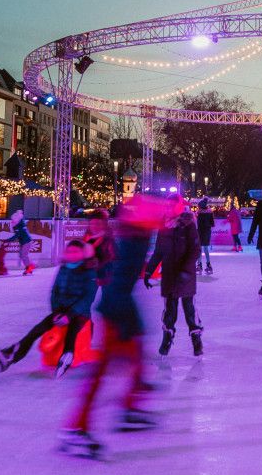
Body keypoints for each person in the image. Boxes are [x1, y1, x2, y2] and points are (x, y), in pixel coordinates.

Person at [61, 189, 165, 457]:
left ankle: (129, 408)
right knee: (103, 370)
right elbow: (119, 279)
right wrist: (129, 322)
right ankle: (76, 429)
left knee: (136, 359)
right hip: (116, 309)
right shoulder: (133, 237)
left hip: (120, 305)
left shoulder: (136, 234)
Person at [0, 215, 105, 375]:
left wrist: (69, 315)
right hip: (60, 311)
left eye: (75, 252)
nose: (71, 254)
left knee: (72, 332)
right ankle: (9, 356)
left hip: (79, 314)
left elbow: (87, 298)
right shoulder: (64, 268)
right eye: (69, 251)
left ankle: (67, 356)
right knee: (36, 330)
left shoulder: (90, 271)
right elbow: (54, 292)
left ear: (82, 254)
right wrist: (57, 311)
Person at [148, 199, 204, 355]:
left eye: (173, 206)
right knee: (169, 311)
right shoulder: (164, 226)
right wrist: (148, 271)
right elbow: (158, 251)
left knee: (189, 309)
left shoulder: (188, 224)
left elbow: (195, 250)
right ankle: (167, 337)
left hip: (185, 275)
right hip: (169, 274)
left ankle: (196, 339)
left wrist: (186, 271)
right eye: (167, 205)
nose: (169, 208)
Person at [7, 206, 35, 275]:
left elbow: (16, 236)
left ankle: (29, 267)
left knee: (23, 255)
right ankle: (30, 266)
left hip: (26, 242)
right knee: (22, 255)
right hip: (25, 242)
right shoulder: (20, 226)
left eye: (13, 221)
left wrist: (8, 240)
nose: (12, 222)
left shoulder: (19, 228)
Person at [195, 200, 216, 276]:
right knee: (206, 248)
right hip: (207, 232)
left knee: (199, 248)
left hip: (200, 232)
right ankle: (208, 264)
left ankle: (199, 265)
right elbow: (213, 224)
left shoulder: (199, 213)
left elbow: (197, 224)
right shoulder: (210, 213)